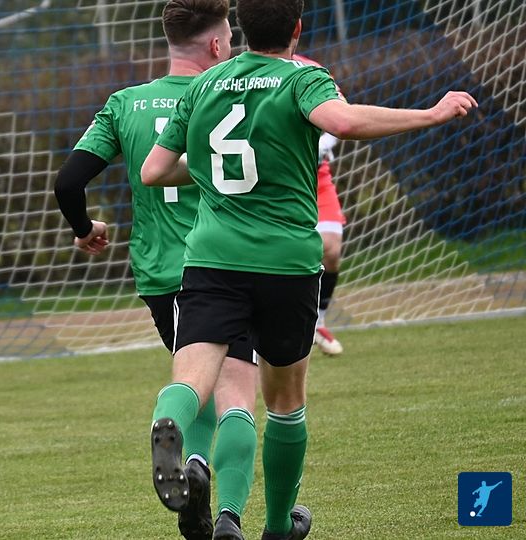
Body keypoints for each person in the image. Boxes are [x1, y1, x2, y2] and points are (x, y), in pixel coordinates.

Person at [141, 0, 476, 538]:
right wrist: (431, 114)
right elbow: (343, 121)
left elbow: (154, 171)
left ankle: (170, 424)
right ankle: (278, 526)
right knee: (284, 403)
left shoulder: (203, 85)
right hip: (286, 264)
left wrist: (208, 167)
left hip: (211, 260)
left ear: (240, 29)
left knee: (193, 379)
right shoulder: (302, 78)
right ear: (297, 28)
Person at [54, 2, 259, 538]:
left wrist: (84, 228)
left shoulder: (125, 104)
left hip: (159, 276)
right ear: (216, 45)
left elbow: (68, 183)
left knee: (195, 381)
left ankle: (196, 468)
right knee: (237, 394)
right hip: (225, 266)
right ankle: (229, 515)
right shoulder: (231, 96)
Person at [294, 53, 346, 356]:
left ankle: (318, 322)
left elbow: (341, 111)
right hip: (276, 178)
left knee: (331, 249)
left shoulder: (311, 69)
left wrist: (320, 143)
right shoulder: (250, 71)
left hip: (316, 177)